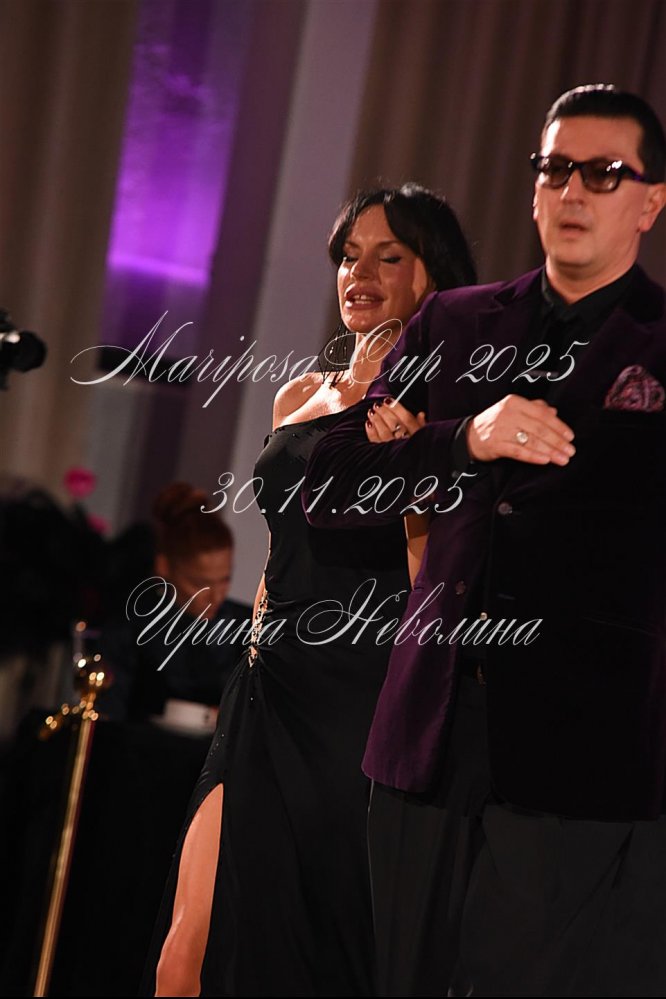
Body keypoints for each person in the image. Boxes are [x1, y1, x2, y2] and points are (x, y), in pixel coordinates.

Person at [304, 85, 666, 997]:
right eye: (555, 169)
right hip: (428, 735)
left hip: (583, 750)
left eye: (604, 173)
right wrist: (463, 437)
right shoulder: (457, 321)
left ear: (650, 202)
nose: (573, 191)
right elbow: (329, 479)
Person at [144, 185, 477, 997]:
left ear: (432, 274)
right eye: (348, 256)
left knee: (309, 954)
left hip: (356, 699)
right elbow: (277, 549)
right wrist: (253, 648)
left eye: (388, 256)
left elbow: (435, 576)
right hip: (265, 684)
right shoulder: (300, 394)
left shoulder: (442, 408)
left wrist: (418, 467)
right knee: (184, 953)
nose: (359, 274)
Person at [97, 481, 251, 727]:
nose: (215, 596)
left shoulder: (247, 628)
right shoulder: (131, 629)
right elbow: (108, 720)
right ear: (164, 566)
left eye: (224, 580)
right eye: (199, 583)